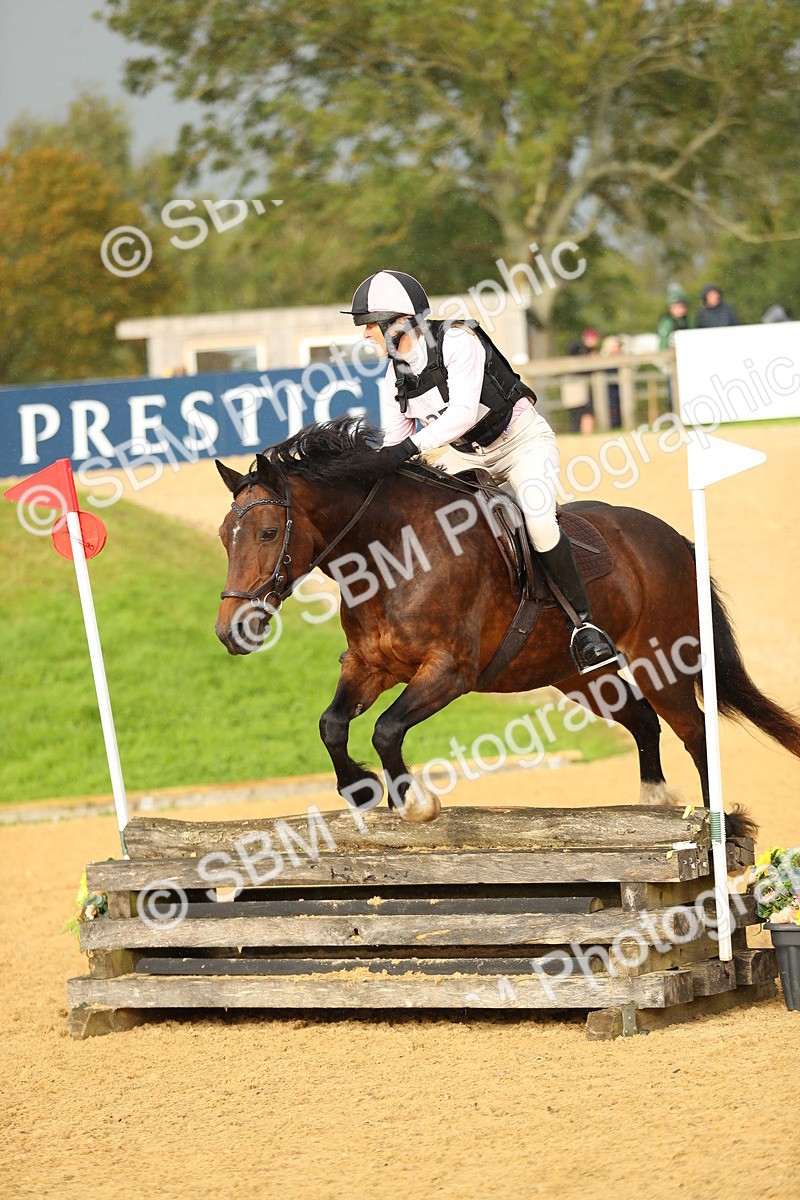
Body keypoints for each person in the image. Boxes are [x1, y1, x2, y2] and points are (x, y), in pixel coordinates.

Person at [341, 269, 618, 673]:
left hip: (521, 442)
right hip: (466, 455)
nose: (365, 335)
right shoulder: (392, 375)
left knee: (539, 524)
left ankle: (584, 627)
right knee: (429, 523)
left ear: (397, 323)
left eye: (369, 325)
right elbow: (393, 443)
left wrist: (405, 449)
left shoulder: (456, 341)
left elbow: (462, 415)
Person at [564, 328, 601, 433]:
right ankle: (577, 432)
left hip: (584, 384)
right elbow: (572, 348)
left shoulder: (592, 351)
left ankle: (584, 433)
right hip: (575, 384)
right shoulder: (578, 348)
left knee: (586, 411)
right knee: (577, 412)